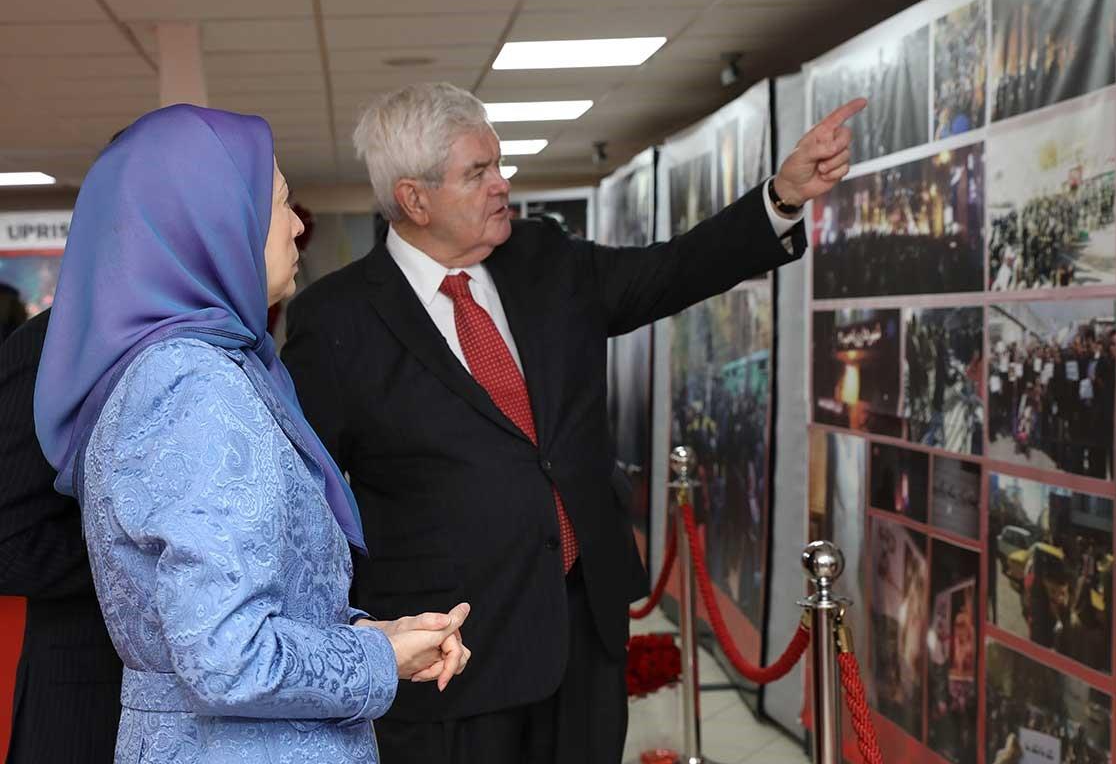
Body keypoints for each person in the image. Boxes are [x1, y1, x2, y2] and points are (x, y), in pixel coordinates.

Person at [282, 81, 864, 763]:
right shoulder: (338, 320)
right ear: (414, 198)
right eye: (479, 173)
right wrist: (350, 636)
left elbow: (672, 270)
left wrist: (783, 197)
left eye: (497, 164)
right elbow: (308, 495)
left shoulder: (545, 259)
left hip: (583, 630)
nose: (503, 185)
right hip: (454, 657)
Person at [32, 104, 473, 764]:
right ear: (211, 222)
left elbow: (237, 610)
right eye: (281, 204)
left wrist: (376, 634)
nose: (298, 228)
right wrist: (376, 655)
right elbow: (227, 659)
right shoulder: (192, 383)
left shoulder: (187, 366)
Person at [0, 308, 124, 763]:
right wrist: (142, 555)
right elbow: (7, 546)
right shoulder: (58, 343)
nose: (295, 230)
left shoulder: (232, 339)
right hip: (86, 710)